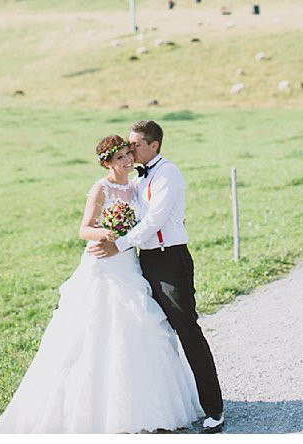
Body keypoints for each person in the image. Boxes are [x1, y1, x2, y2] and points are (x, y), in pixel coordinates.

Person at [0, 136, 203, 434]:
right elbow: (83, 229)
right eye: (121, 158)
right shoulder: (101, 188)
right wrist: (108, 232)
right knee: (97, 329)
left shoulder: (137, 186)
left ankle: (150, 406)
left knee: (142, 325)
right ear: (107, 162)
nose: (128, 161)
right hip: (104, 264)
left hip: (129, 265)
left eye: (130, 154)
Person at [88, 120, 225, 434]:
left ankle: (214, 409)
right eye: (128, 146)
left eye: (135, 145)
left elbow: (154, 220)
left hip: (170, 260)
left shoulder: (168, 173)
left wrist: (118, 245)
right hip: (143, 261)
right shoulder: (135, 180)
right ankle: (162, 406)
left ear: (154, 146)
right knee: (153, 333)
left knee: (187, 330)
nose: (130, 149)